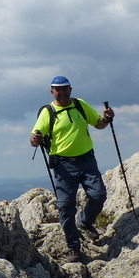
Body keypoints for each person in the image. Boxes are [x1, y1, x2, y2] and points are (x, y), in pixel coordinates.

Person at [30, 76, 114, 260]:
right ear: (52, 92)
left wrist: (106, 119)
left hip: (86, 160)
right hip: (63, 166)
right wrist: (35, 140)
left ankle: (84, 222)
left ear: (70, 89)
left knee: (98, 195)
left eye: (64, 89)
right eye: (57, 89)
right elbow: (35, 137)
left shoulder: (80, 105)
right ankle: (73, 247)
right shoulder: (48, 112)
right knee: (66, 207)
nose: (61, 92)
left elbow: (98, 124)